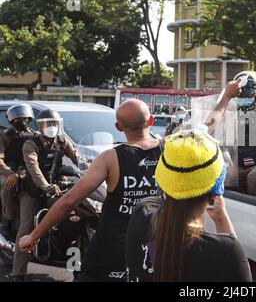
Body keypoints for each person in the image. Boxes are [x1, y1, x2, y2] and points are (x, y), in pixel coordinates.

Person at [19, 100, 161, 282]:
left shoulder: (111, 158)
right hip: (156, 243)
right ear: (151, 121)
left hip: (111, 250)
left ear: (118, 127)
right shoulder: (168, 152)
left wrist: (33, 235)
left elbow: (69, 201)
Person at [125, 130, 252, 282]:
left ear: (163, 183)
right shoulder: (225, 251)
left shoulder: (141, 214)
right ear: (215, 194)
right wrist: (221, 220)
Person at [11, 109, 79, 282]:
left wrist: (89, 169)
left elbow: (78, 157)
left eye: (54, 124)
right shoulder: (30, 144)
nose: (51, 128)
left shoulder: (62, 140)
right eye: (47, 124)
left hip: (56, 187)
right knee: (26, 227)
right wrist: (46, 186)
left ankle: (75, 266)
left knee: (75, 219)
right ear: (40, 126)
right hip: (32, 190)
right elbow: (33, 169)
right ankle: (18, 273)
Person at [0, 104, 37, 238]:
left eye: (25, 118)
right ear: (11, 120)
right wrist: (9, 173)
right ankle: (7, 219)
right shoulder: (4, 135)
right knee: (7, 184)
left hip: (29, 170)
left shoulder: (35, 135)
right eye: (18, 119)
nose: (22, 121)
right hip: (9, 169)